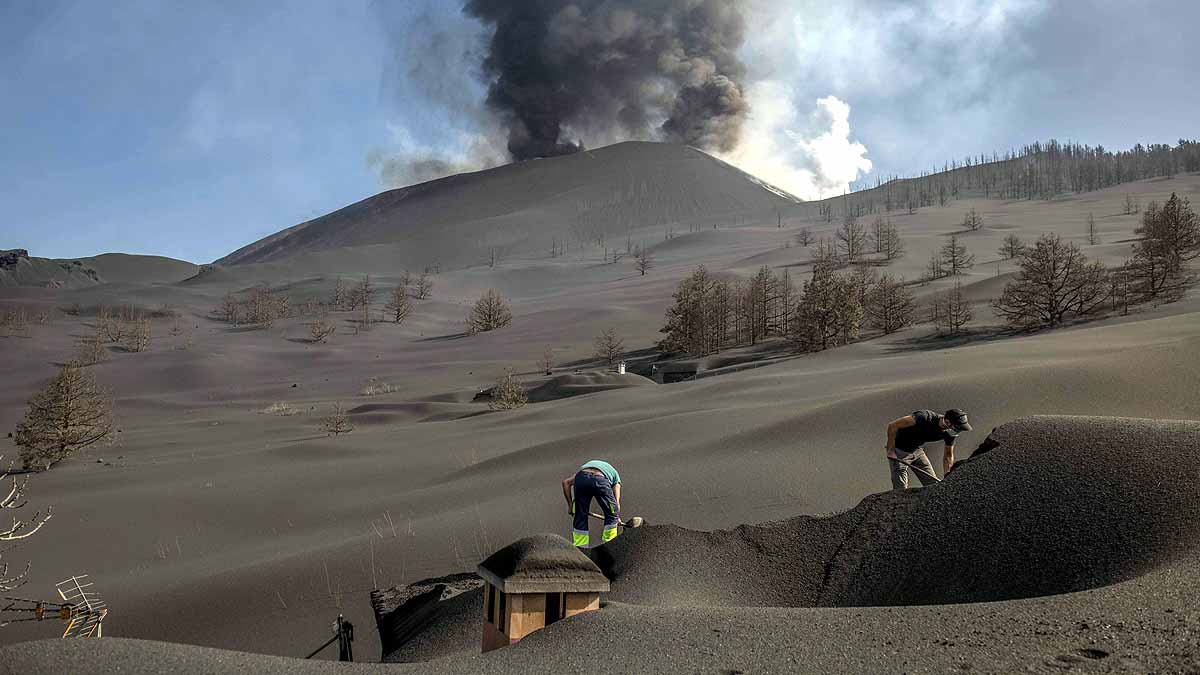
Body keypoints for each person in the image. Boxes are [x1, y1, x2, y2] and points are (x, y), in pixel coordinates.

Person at [884, 409, 972, 490]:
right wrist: (891, 450)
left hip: (917, 450)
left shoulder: (950, 434)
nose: (958, 431)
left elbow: (948, 456)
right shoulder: (924, 417)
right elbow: (892, 426)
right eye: (958, 427)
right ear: (948, 422)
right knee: (900, 488)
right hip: (899, 451)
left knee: (933, 485)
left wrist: (947, 476)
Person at [562, 460, 621, 548]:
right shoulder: (615, 477)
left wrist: (570, 505)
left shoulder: (582, 471)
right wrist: (615, 516)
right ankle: (610, 546)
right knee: (612, 513)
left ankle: (581, 548)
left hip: (582, 479)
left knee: (580, 515)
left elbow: (565, 482)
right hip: (600, 479)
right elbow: (616, 503)